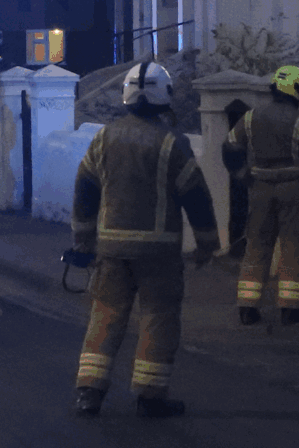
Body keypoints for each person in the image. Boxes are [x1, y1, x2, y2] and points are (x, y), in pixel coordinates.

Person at [71, 61, 220, 420]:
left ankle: (89, 393)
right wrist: (207, 243)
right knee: (158, 317)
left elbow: (85, 190)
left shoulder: (104, 137)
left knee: (105, 316)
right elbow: (195, 196)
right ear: (163, 96)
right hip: (159, 254)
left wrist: (82, 240)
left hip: (110, 251)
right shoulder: (173, 143)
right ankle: (150, 396)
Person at [222, 64, 299, 326]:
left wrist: (241, 174)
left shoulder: (250, 118)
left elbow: (229, 146)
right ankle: (289, 308)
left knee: (257, 246)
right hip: (293, 189)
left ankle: (248, 308)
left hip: (259, 188)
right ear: (296, 91)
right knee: (294, 246)